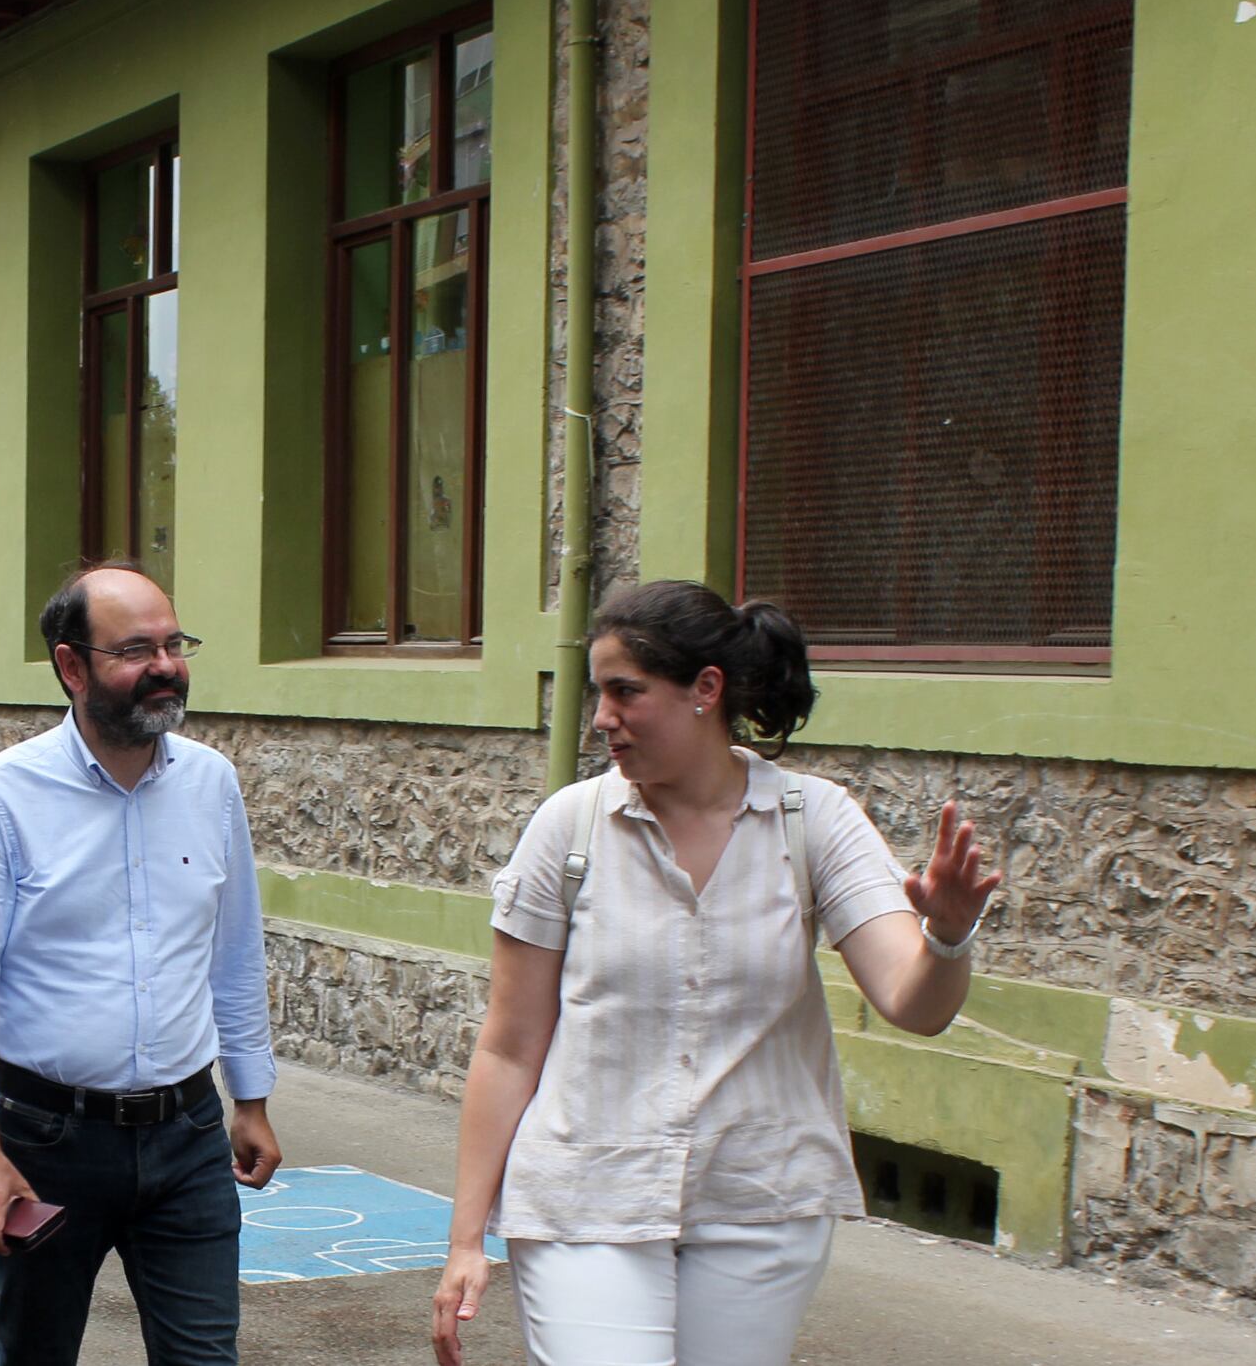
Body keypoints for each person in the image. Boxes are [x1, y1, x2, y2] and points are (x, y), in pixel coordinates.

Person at [429, 580, 1004, 1366]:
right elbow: (508, 1045)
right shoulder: (568, 827)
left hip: (758, 1200)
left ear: (706, 690)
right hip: (587, 1194)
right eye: (598, 693)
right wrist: (465, 1239)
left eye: (625, 692)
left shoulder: (814, 819)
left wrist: (944, 933)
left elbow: (913, 1003)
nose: (602, 718)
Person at [0, 562, 282, 1366]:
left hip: (187, 1136)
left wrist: (250, 1099)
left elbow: (232, 952)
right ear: (71, 666)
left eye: (172, 644)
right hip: (45, 1142)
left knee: (203, 1358)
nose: (164, 666)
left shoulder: (212, 785)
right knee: (35, 1353)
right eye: (134, 650)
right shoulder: (2, 795)